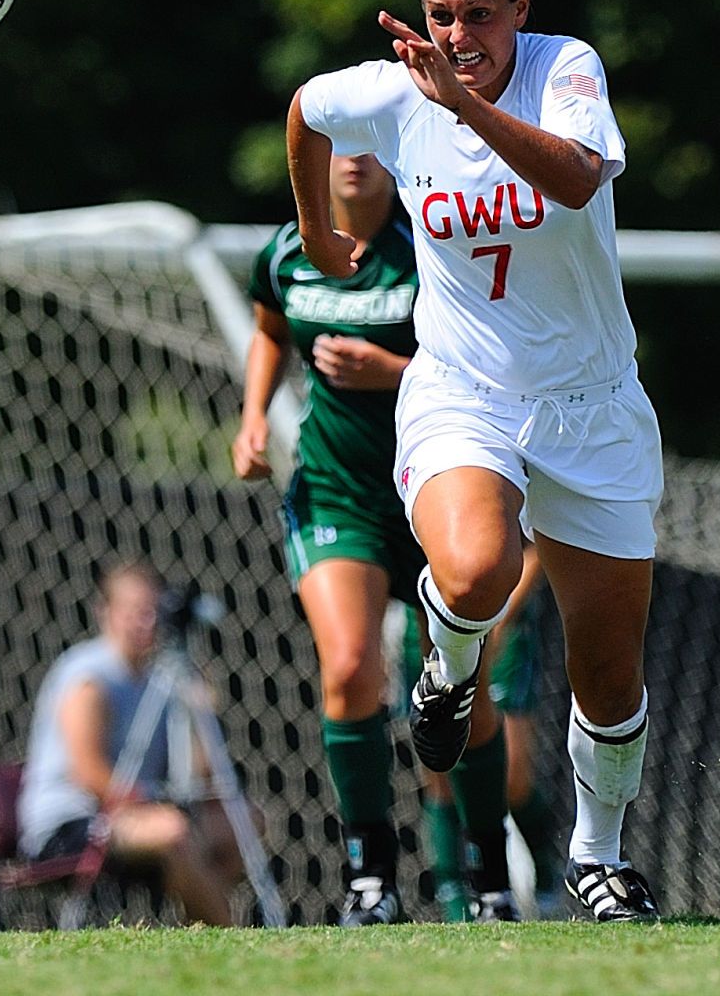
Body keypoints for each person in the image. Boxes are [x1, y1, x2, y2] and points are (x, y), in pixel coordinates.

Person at [285, 0, 664, 921]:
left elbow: (579, 180)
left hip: (592, 405)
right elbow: (306, 110)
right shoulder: (396, 89)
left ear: (520, 9)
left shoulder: (565, 70)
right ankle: (448, 676)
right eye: (441, 17)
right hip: (464, 391)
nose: (458, 38)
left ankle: (597, 855)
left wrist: (462, 105)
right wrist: (319, 235)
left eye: (480, 15)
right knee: (475, 567)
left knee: (608, 672)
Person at [231, 150, 514, 924]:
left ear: (396, 163)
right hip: (338, 492)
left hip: (440, 494)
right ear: (311, 163)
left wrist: (391, 370)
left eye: (368, 145)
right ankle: (371, 880)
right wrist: (255, 415)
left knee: (461, 695)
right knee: (351, 669)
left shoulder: (431, 246)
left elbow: (489, 357)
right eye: (335, 145)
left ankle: (492, 877)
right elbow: (268, 328)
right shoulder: (288, 250)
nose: (352, 160)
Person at [16, 560, 245, 927]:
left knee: (243, 822)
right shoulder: (89, 676)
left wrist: (200, 711)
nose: (146, 622)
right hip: (72, 822)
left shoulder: (163, 678)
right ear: (105, 612)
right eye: (135, 611)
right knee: (173, 830)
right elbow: (87, 772)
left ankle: (199, 935)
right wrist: (148, 806)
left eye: (153, 611)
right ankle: (231, 940)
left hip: (139, 814)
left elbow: (200, 774)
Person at [407, 544, 567, 920]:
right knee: (440, 767)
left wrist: (500, 615)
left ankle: (545, 869)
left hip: (499, 620)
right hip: (427, 618)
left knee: (509, 778)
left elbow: (537, 541)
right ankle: (456, 905)